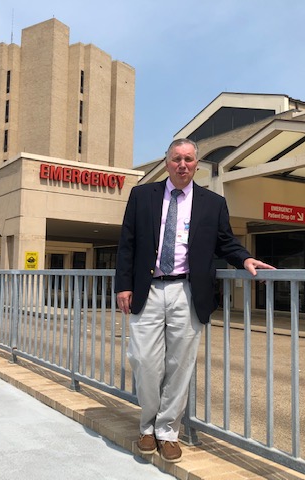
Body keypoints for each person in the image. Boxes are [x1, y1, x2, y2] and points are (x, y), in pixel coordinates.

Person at [114, 138, 275, 463]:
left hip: (188, 291)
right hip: (149, 288)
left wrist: (244, 259)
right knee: (144, 361)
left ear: (196, 164)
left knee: (180, 365)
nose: (182, 164)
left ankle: (167, 432)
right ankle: (146, 425)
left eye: (188, 159)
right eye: (176, 159)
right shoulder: (142, 195)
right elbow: (127, 242)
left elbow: (225, 241)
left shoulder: (212, 203)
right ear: (167, 162)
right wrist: (123, 285)